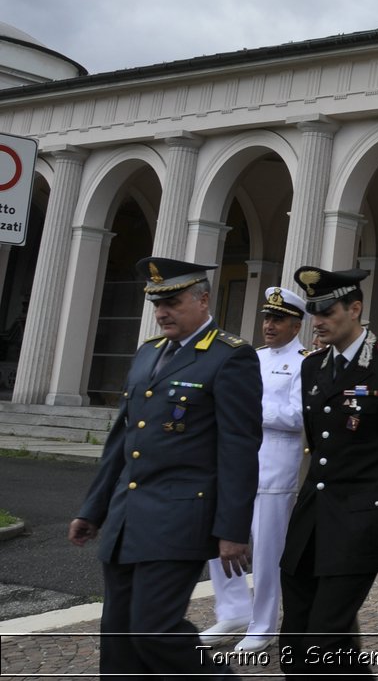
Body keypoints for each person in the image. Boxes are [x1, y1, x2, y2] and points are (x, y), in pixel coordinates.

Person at [68, 257, 262, 679]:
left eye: (172, 302)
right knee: (118, 634)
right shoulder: (148, 353)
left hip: (180, 517)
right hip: (127, 516)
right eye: (156, 304)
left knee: (155, 631)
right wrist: (93, 509)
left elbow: (239, 448)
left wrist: (232, 529)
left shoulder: (231, 357)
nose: (162, 312)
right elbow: (122, 440)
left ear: (203, 299)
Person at [278, 265, 378, 676]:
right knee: (294, 638)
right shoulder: (313, 367)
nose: (318, 321)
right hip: (312, 521)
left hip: (361, 521)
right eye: (314, 312)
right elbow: (318, 446)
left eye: (327, 311)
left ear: (355, 307)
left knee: (325, 636)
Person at [201, 286, 310, 653]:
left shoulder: (304, 363)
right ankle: (232, 611)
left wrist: (249, 412)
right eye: (267, 317)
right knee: (220, 537)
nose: (269, 324)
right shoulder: (253, 357)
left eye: (278, 319)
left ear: (296, 326)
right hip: (236, 465)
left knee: (265, 553)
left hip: (276, 468)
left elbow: (298, 416)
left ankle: (262, 625)